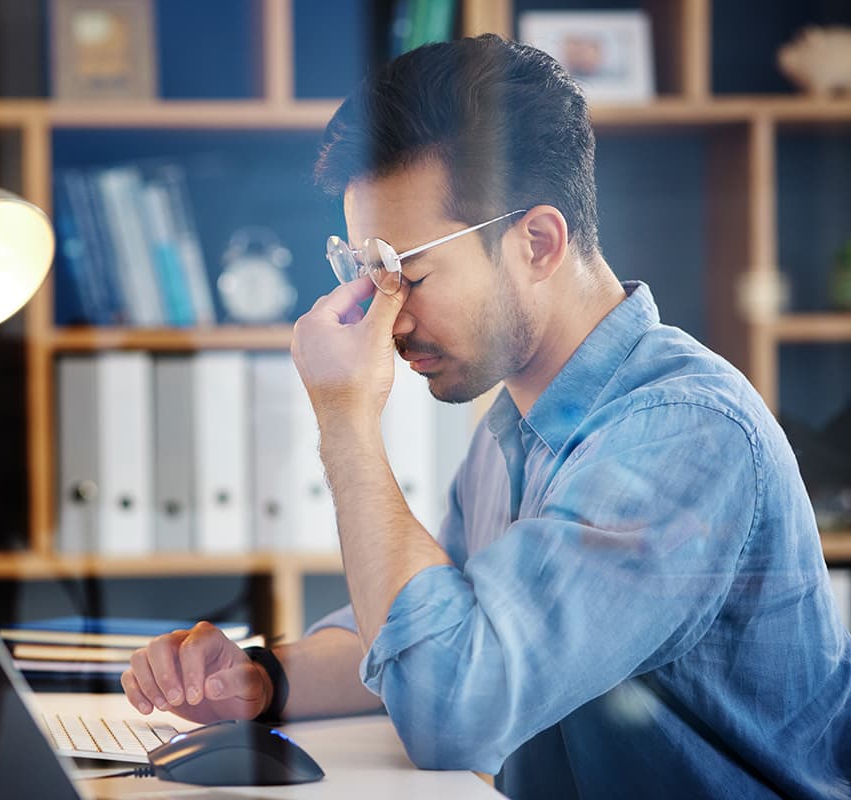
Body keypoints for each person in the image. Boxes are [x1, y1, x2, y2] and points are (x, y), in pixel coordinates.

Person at [121, 35, 851, 797]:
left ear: (536, 242)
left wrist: (345, 421)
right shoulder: (518, 425)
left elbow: (453, 709)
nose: (384, 312)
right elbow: (432, 636)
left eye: (407, 273)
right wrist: (262, 677)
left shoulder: (679, 431)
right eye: (364, 273)